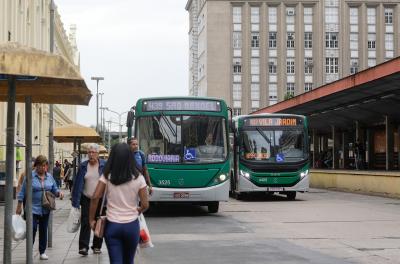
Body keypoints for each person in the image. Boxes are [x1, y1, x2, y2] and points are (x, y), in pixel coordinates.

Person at [89, 143, 149, 264]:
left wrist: (91, 220)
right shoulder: (139, 178)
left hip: (112, 226)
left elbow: (95, 197)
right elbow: (145, 204)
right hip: (131, 226)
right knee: (129, 261)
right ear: (130, 157)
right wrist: (138, 210)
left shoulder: (107, 176)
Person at [15, 155, 64, 261]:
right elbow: (22, 191)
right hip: (32, 207)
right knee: (32, 229)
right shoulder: (30, 176)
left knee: (43, 229)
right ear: (36, 166)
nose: (42, 168)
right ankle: (30, 251)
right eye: (40, 166)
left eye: (44, 166)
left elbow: (54, 188)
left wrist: (59, 193)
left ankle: (42, 252)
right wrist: (19, 206)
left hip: (45, 207)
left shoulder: (49, 176)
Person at [71, 143, 106, 256]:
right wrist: (75, 200)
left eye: (93, 152)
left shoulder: (104, 165)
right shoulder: (83, 166)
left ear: (97, 153)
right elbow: (77, 183)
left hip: (100, 199)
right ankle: (83, 247)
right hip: (87, 198)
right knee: (85, 222)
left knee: (99, 222)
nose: (91, 154)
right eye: (89, 152)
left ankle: (97, 246)